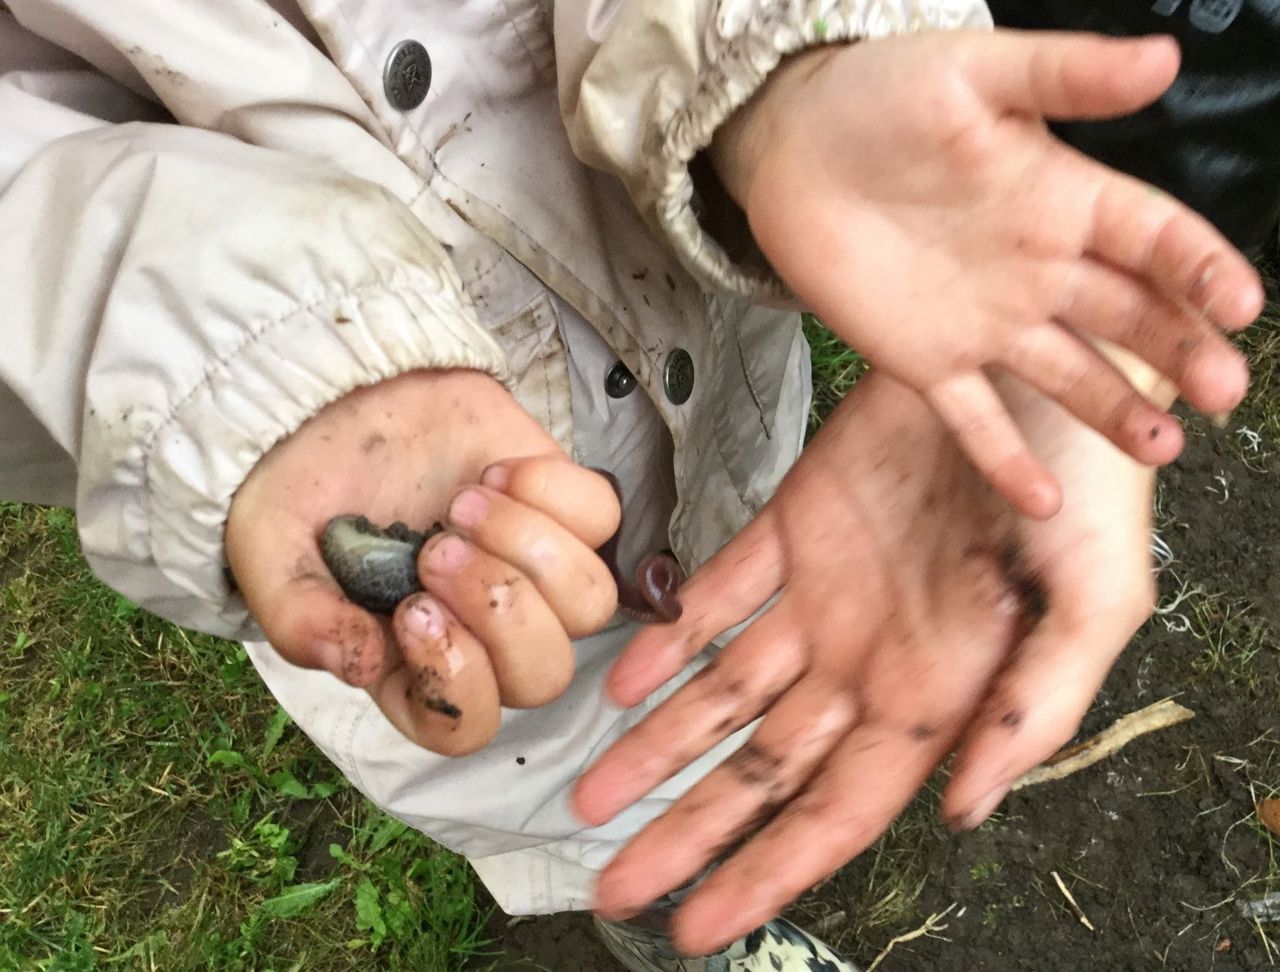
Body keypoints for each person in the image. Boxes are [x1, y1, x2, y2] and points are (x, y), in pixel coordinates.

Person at [0, 2, 1264, 969]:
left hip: (704, 358)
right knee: (580, 789)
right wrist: (252, 364)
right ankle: (664, 920)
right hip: (337, 504)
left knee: (741, 608)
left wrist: (777, 68)